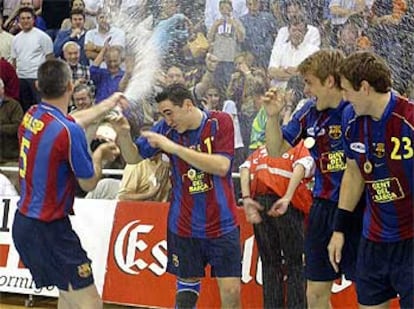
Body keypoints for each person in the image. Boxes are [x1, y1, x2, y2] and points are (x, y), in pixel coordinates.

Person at [111, 84, 241, 308]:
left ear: (188, 105)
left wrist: (174, 148)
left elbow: (221, 166)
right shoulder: (165, 129)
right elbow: (132, 158)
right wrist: (123, 134)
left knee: (230, 292)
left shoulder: (220, 122)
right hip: (184, 225)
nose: (167, 120)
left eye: (169, 113)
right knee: (186, 292)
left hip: (223, 225)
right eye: (163, 115)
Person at [12, 59, 127, 308]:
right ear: (71, 87)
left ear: (38, 85)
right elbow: (88, 183)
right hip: (49, 229)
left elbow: (73, 120)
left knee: (68, 296)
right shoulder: (69, 131)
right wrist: (100, 155)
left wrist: (108, 104)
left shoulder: (32, 114)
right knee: (90, 303)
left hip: (24, 224)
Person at [263, 49, 363, 308]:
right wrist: (273, 116)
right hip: (322, 208)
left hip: (358, 209)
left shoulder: (356, 109)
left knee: (368, 291)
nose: (306, 90)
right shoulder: (309, 112)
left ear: (330, 81)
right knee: (315, 294)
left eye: (309, 82)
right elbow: (276, 150)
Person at [328, 51, 413, 308]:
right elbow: (353, 173)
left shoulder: (408, 120)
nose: (344, 98)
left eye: (346, 90)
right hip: (373, 240)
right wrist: (339, 229)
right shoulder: (350, 119)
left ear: (364, 88)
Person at [239, 140, 314, 308]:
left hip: (260, 203)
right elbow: (302, 167)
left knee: (270, 263)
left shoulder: (262, 149)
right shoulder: (299, 147)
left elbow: (244, 168)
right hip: (286, 205)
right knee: (295, 263)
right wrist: (287, 196)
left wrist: (246, 198)